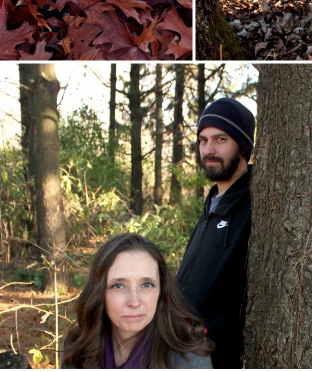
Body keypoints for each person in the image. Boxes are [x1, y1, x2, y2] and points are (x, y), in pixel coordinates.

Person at [176, 97, 255, 369]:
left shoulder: (253, 207)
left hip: (212, 357)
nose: (208, 149)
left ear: (243, 145)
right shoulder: (212, 205)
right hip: (180, 347)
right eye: (203, 140)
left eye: (220, 139)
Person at [61, 233, 213, 369]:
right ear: (99, 292)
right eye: (118, 285)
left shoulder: (189, 356)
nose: (134, 302)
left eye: (146, 285)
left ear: (161, 291)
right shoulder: (77, 345)